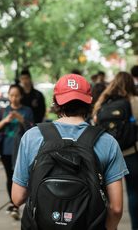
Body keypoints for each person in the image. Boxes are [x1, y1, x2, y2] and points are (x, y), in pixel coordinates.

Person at [12, 73, 128, 230]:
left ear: (55, 102)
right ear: (89, 102)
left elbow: (18, 198)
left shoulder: (32, 137)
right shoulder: (107, 142)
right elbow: (116, 208)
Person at [93, 71, 138, 230]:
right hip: (131, 153)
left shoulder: (103, 103)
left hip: (108, 155)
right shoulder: (134, 102)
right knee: (133, 192)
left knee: (108, 196)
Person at [0, 84, 34, 220]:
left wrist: (21, 119)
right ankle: (14, 204)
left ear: (21, 96)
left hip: (22, 149)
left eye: (16, 95)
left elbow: (32, 129)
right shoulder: (3, 111)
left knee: (22, 177)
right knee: (10, 177)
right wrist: (6, 120)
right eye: (11, 95)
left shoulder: (27, 111)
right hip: (6, 148)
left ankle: (20, 202)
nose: (14, 98)